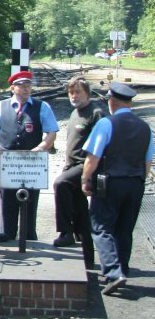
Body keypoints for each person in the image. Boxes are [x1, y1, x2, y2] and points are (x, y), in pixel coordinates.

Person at [81, 81, 154, 295]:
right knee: (125, 228)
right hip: (136, 183)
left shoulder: (106, 124)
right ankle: (123, 269)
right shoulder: (146, 128)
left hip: (110, 182)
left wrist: (85, 179)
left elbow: (92, 158)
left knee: (101, 227)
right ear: (129, 103)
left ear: (111, 101)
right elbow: (148, 161)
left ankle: (114, 273)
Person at [0, 70, 58, 240]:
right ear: (13, 88)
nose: (26, 89)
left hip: (32, 162)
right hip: (8, 161)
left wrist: (41, 147)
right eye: (22, 86)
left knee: (30, 200)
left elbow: (51, 133)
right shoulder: (1, 107)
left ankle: (29, 235)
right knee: (7, 199)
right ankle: (7, 234)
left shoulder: (42, 107)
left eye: (28, 86)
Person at [52, 77, 104, 264]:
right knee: (81, 214)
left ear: (87, 93)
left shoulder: (96, 113)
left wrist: (89, 175)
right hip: (73, 165)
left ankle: (66, 232)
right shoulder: (75, 113)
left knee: (61, 183)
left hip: (86, 165)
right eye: (71, 92)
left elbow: (101, 145)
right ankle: (88, 260)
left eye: (78, 92)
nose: (73, 96)